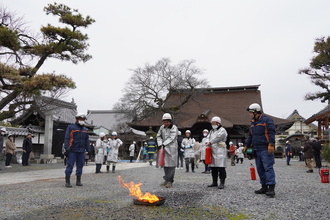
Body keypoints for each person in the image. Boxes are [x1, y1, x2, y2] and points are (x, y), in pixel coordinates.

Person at [245, 103, 276, 198]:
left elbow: (271, 132)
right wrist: (247, 145)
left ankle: (271, 188)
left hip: (265, 148)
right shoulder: (252, 123)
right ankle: (264, 186)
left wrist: (271, 144)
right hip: (256, 148)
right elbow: (250, 136)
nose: (250, 114)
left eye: (251, 112)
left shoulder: (266, 120)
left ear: (255, 111)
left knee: (268, 168)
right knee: (260, 169)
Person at [64, 113, 91, 188]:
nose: (82, 121)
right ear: (77, 119)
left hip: (81, 150)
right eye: (81, 119)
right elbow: (67, 138)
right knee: (70, 165)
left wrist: (88, 148)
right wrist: (67, 147)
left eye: (83, 120)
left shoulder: (85, 129)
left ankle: (78, 180)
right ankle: (67, 181)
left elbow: (87, 140)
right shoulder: (71, 127)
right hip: (72, 149)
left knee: (80, 165)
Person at [157, 113, 178, 188]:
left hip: (172, 148)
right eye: (164, 122)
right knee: (165, 164)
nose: (165, 123)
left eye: (167, 122)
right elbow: (158, 136)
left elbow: (171, 138)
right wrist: (160, 144)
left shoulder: (174, 128)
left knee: (171, 165)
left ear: (170, 121)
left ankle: (170, 181)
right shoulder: (162, 128)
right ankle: (166, 179)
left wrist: (164, 144)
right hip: (164, 148)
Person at [206, 116, 228, 189]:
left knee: (221, 167)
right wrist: (207, 142)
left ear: (218, 123)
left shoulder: (222, 130)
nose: (212, 125)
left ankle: (222, 183)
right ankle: (214, 182)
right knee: (213, 167)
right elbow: (208, 137)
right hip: (213, 150)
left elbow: (218, 137)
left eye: (213, 123)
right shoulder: (212, 131)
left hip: (220, 150)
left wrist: (210, 142)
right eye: (211, 123)